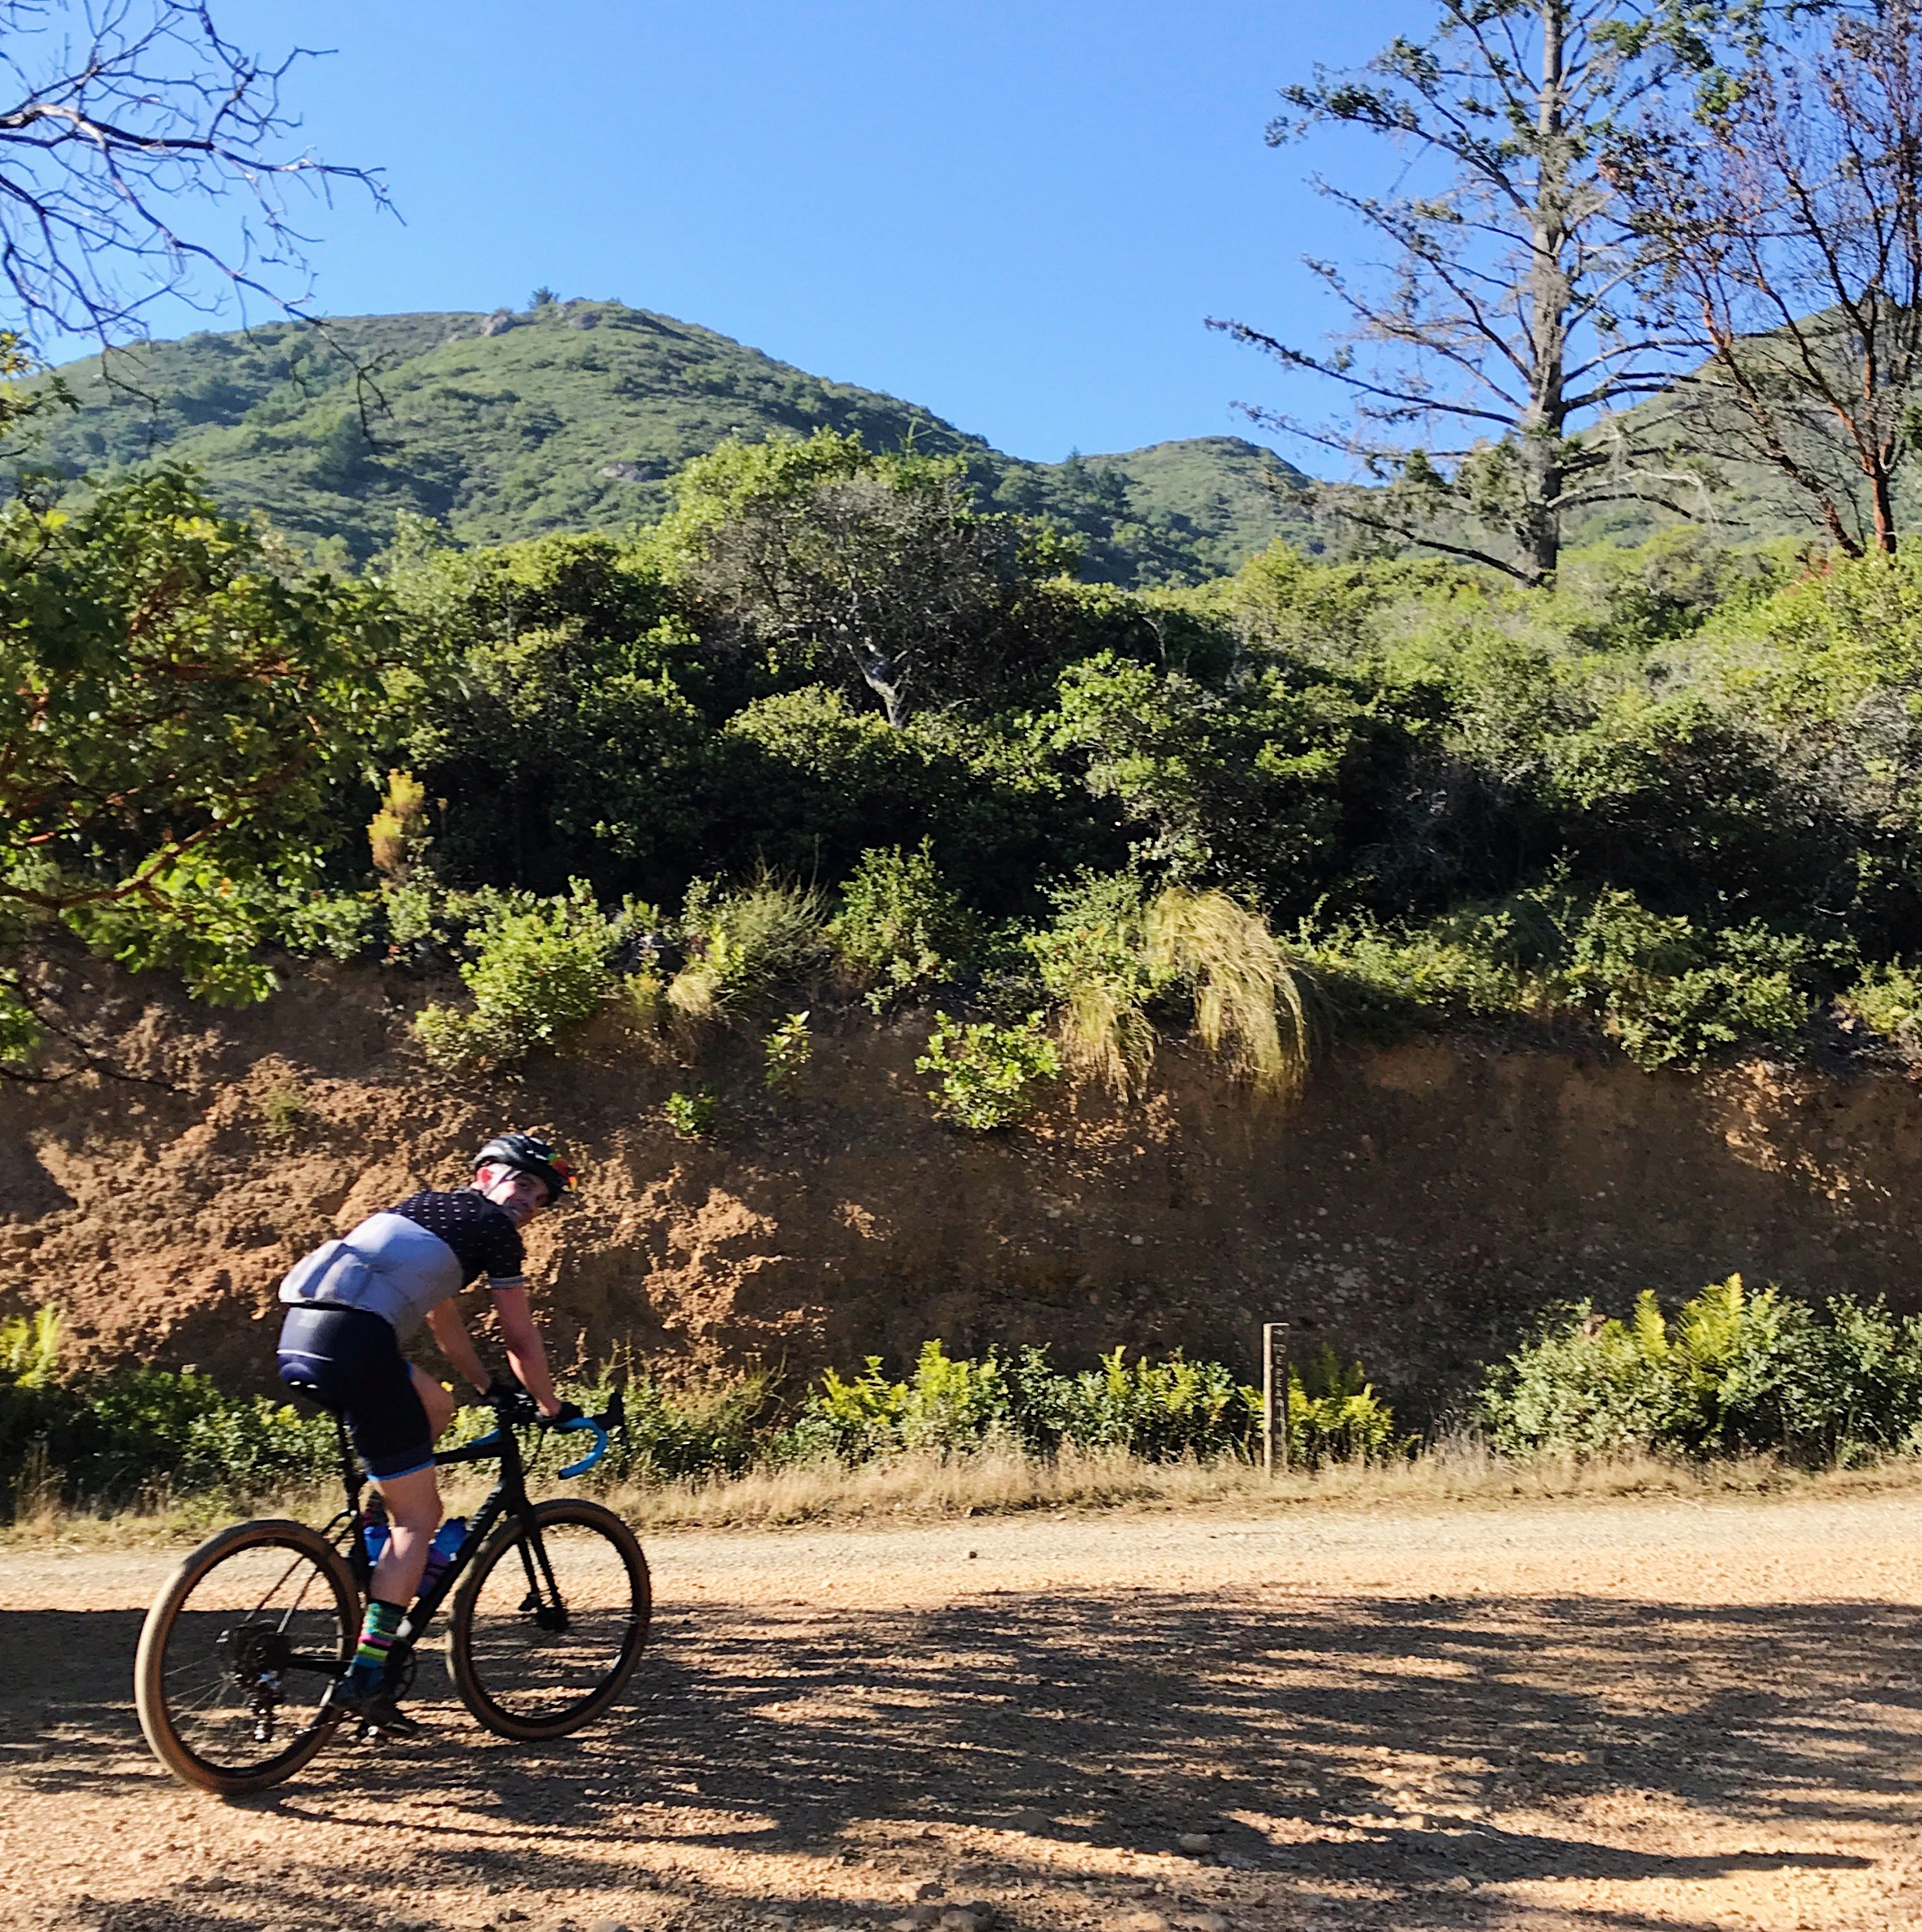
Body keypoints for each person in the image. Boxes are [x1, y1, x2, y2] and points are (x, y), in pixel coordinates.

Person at [274, 1131, 582, 1735]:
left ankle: (373, 1543)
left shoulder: (425, 1207)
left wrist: (483, 1385)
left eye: (540, 1197)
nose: (529, 1201)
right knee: (417, 1518)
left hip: (305, 1334)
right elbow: (521, 1337)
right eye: (522, 1182)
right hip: (361, 1345)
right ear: (485, 1174)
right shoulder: (494, 1232)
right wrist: (550, 1406)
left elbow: (442, 1314)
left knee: (436, 1408)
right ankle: (366, 1675)